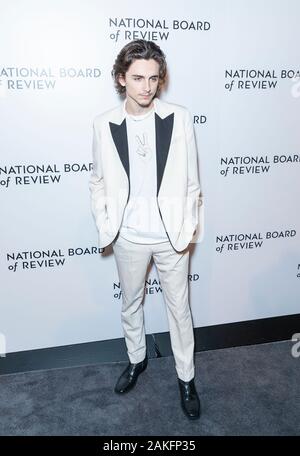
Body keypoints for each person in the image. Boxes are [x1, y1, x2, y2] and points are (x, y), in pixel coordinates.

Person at [89, 39, 203, 420]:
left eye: (153, 78)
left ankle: (186, 378)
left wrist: (186, 230)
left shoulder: (180, 117)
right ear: (122, 78)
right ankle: (137, 359)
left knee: (180, 310)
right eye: (138, 77)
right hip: (128, 236)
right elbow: (98, 181)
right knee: (131, 303)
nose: (147, 86)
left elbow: (192, 183)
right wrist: (108, 223)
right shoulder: (104, 124)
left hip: (171, 235)